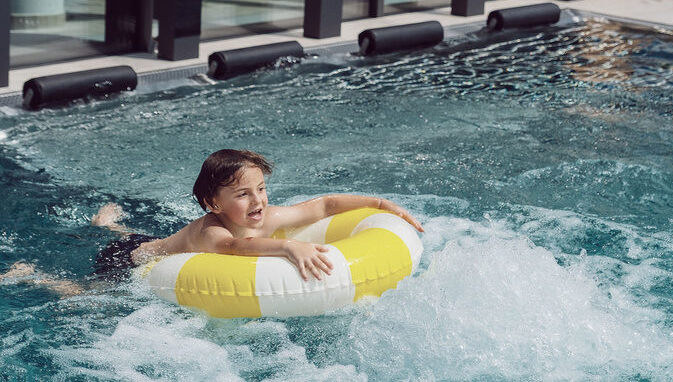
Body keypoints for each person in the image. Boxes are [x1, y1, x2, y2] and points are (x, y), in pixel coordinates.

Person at [92, 149, 424, 282]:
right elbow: (234, 248)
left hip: (157, 243)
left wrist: (381, 205)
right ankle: (44, 274)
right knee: (87, 296)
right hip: (128, 259)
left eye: (261, 189)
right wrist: (289, 248)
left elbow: (324, 206)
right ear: (213, 204)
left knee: (142, 235)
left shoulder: (263, 217)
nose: (258, 202)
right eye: (243, 194)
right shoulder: (210, 231)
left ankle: (114, 225)